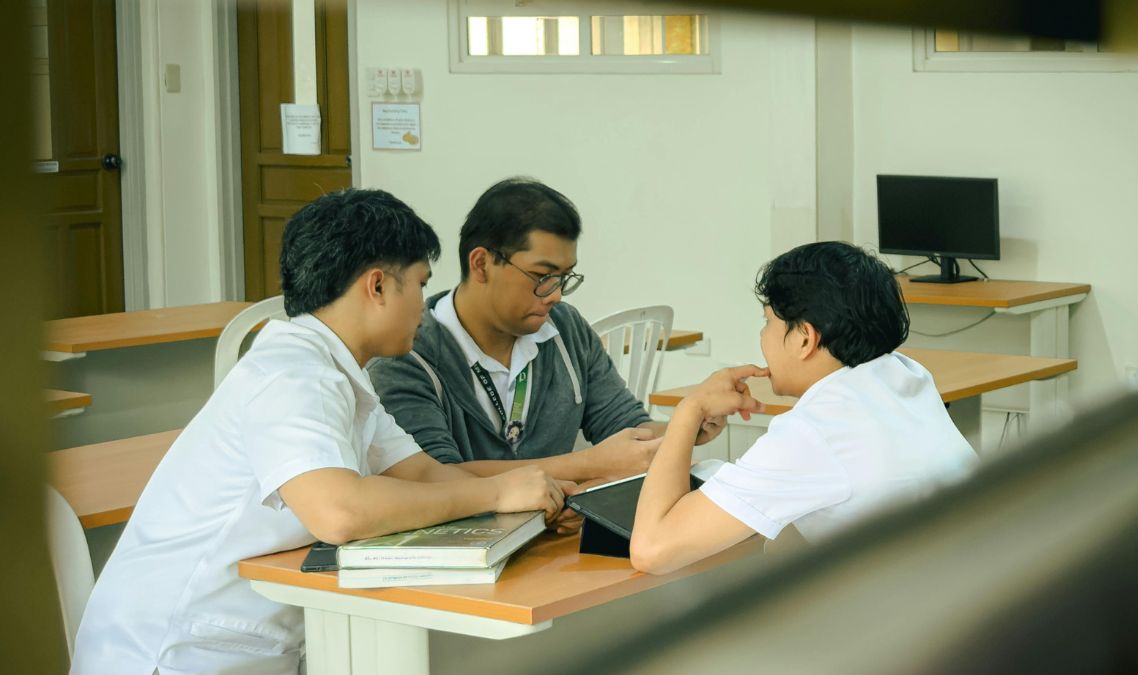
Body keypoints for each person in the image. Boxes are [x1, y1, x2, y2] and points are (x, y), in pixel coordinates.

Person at [71, 189, 570, 674]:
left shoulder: (341, 374)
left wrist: (530, 503)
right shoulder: (294, 373)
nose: (424, 305)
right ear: (377, 286)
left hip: (240, 642)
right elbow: (340, 512)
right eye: (420, 284)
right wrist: (497, 493)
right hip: (172, 652)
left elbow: (423, 474)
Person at [628, 241, 978, 575]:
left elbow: (651, 549)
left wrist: (689, 409)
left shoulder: (816, 430)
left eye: (768, 322)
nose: (762, 337)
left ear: (805, 338)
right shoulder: (908, 374)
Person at [368, 178, 724, 501]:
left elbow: (623, 424)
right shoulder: (405, 354)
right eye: (542, 276)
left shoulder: (565, 329)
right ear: (481, 264)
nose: (555, 294)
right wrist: (588, 465)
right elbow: (433, 479)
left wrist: (687, 425)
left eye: (565, 278)